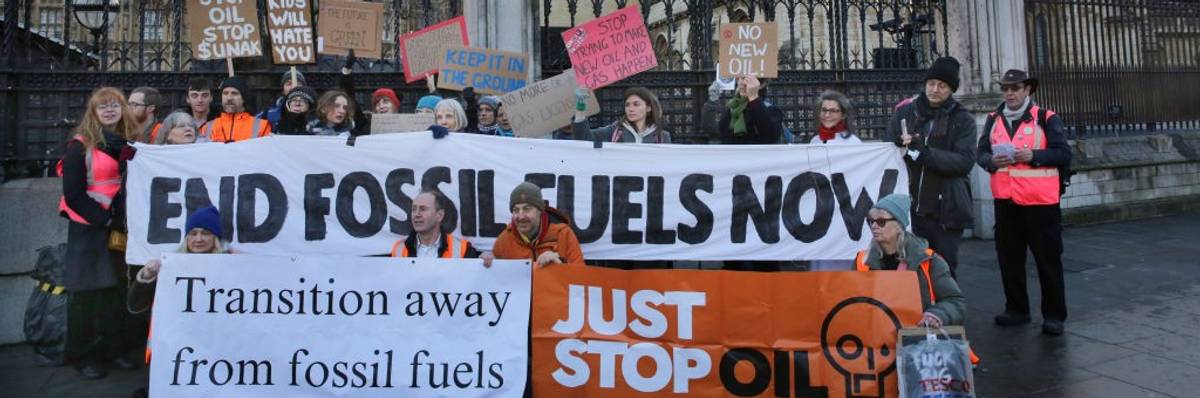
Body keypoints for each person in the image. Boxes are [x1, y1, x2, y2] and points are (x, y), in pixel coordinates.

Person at [976, 69, 1072, 336]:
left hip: (1040, 202)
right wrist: (990, 162)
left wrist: (1034, 155)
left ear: (1027, 90)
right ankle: (1016, 309)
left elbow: (1063, 153)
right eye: (1006, 89)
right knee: (1009, 259)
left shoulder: (1046, 118)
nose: (1010, 93)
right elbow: (981, 152)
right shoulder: (993, 119)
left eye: (1015, 88)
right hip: (1005, 200)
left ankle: (1054, 315)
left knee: (1047, 260)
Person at [58, 87, 140, 379]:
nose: (108, 110)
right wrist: (104, 219)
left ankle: (113, 350)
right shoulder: (79, 146)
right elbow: (73, 193)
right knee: (87, 294)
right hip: (89, 227)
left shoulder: (130, 142)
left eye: (114, 105)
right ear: (93, 112)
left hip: (120, 226)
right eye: (102, 107)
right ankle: (83, 355)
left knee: (114, 292)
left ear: (122, 109)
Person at [882, 56, 976, 279]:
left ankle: (944, 311)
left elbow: (964, 161)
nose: (935, 89)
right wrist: (897, 141)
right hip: (911, 206)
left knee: (943, 268)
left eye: (942, 85)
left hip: (946, 208)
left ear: (951, 89)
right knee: (909, 266)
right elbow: (888, 143)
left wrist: (925, 152)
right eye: (931, 83)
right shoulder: (906, 112)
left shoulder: (963, 120)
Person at [853, 194, 965, 328]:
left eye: (881, 221)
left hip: (916, 338)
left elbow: (954, 301)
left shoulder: (930, 261)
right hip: (876, 338)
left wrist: (936, 315)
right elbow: (852, 302)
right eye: (870, 221)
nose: (874, 226)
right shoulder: (862, 261)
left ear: (899, 225)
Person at [390, 190, 495, 266]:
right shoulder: (398, 249)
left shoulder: (462, 249)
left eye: (423, 209)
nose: (416, 214)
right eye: (414, 209)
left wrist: (484, 260)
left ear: (439, 215)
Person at [492, 182, 585, 266]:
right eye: (516, 210)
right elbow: (495, 279)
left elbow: (580, 277)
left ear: (540, 210)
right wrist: (486, 264)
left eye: (527, 209)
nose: (521, 216)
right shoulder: (503, 241)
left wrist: (560, 263)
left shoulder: (564, 234)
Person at [572, 87, 672, 143]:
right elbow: (584, 139)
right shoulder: (615, 131)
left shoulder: (662, 137)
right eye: (627, 105)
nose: (631, 109)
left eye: (636, 104)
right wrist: (580, 107)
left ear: (648, 108)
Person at [719, 75, 784, 145]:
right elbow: (723, 135)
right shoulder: (734, 107)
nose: (740, 82)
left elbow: (770, 136)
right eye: (739, 78)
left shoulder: (772, 110)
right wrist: (739, 99)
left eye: (745, 79)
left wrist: (753, 97)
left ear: (761, 85)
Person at [210, 77, 272, 143]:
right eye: (225, 93)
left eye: (234, 93)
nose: (229, 98)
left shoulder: (261, 126)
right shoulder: (208, 127)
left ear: (244, 98)